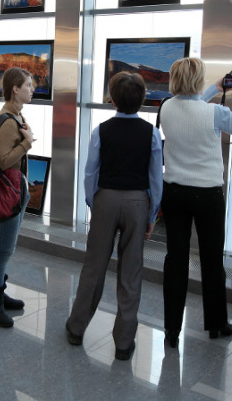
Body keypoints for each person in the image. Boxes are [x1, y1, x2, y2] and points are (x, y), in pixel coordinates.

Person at [65, 72, 163, 360]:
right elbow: (156, 177)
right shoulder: (152, 133)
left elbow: (90, 172)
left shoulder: (101, 130)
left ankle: (76, 328)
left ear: (113, 99)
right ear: (143, 99)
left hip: (105, 198)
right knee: (131, 272)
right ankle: (123, 343)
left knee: (93, 267)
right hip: (137, 203)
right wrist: (152, 214)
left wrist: (94, 203)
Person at [160, 57, 232, 347]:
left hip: (174, 192)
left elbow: (189, 104)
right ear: (198, 80)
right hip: (208, 194)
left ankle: (171, 332)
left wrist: (216, 86)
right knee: (212, 261)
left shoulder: (166, 107)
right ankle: (216, 324)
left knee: (175, 260)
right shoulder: (216, 113)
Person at [0, 67, 34, 328]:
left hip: (14, 191)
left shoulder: (15, 115)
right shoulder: (9, 120)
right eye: (28, 85)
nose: (32, 90)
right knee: (3, 249)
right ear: (15, 88)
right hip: (6, 193)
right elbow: (2, 162)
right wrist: (27, 143)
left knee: (5, 247)